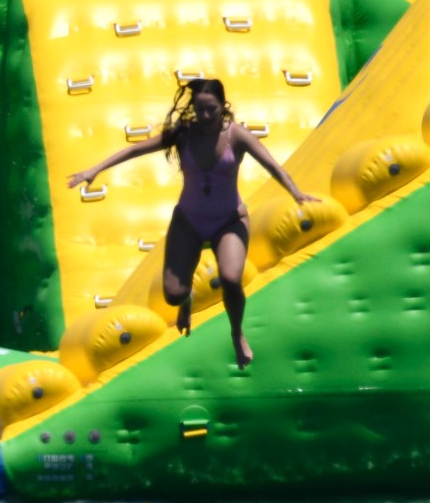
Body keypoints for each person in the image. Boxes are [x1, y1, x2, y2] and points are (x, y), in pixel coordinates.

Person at [65, 78, 314, 369]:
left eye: (212, 110)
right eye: (200, 110)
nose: (206, 116)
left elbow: (273, 166)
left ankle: (237, 333)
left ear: (224, 107)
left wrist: (296, 193)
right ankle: (186, 301)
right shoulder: (183, 134)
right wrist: (94, 170)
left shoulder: (238, 136)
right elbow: (136, 150)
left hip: (228, 220)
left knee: (232, 279)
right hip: (189, 221)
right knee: (172, 294)